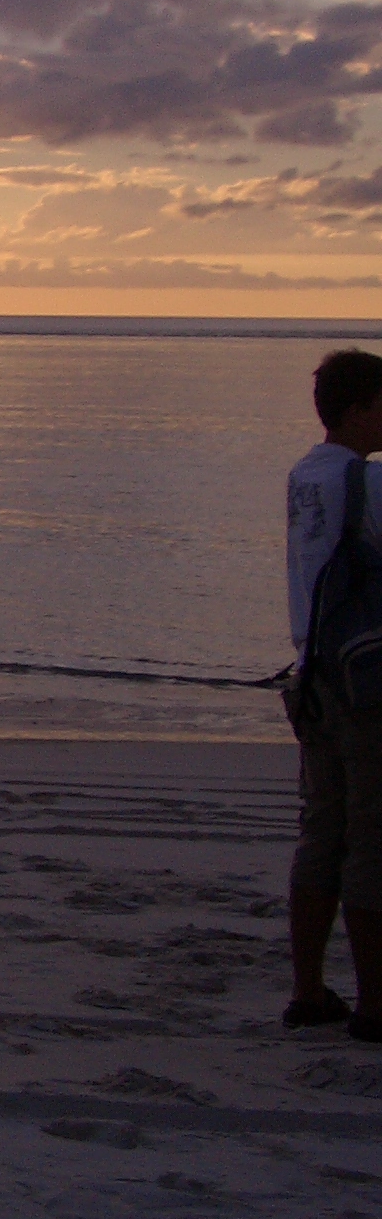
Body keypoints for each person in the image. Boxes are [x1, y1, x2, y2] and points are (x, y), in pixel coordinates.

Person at [284, 348, 382, 1042]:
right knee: (373, 838)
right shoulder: (367, 482)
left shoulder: (304, 476)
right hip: (367, 681)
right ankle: (375, 1005)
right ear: (358, 409)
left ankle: (310, 990)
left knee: (323, 829)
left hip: (313, 673)